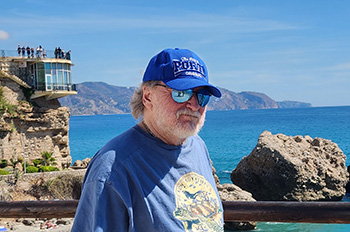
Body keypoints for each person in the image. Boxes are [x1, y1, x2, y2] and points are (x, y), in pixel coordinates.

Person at [72, 48, 224, 232]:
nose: (194, 105)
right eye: (181, 92)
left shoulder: (197, 146)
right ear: (148, 96)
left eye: (202, 96)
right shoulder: (113, 168)